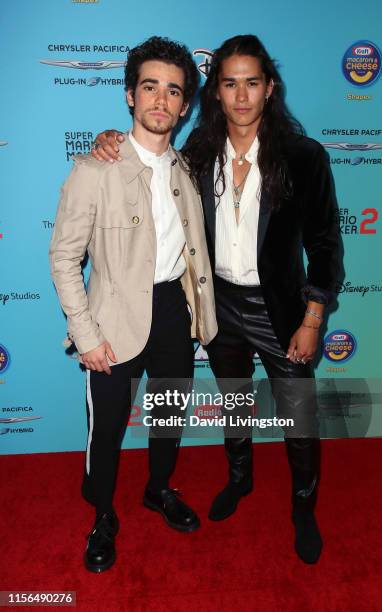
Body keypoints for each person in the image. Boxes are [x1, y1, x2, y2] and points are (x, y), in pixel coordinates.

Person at [91, 34, 340, 564]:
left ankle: (303, 507)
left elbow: (325, 246)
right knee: (235, 403)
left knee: (299, 418)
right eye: (230, 83)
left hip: (282, 311)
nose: (242, 95)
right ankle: (239, 481)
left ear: (270, 88)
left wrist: (313, 317)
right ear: (216, 94)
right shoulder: (197, 156)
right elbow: (146, 155)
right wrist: (107, 138)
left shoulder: (304, 157)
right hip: (219, 305)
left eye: (253, 82)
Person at [50, 36, 217, 573]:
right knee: (108, 428)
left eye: (173, 91)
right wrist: (86, 332)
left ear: (185, 104)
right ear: (130, 95)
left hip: (174, 312)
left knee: (169, 415)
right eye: (150, 87)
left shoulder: (188, 169)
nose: (160, 101)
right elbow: (63, 257)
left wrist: (195, 318)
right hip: (114, 316)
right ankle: (102, 515)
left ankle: (159, 488)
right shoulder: (95, 167)